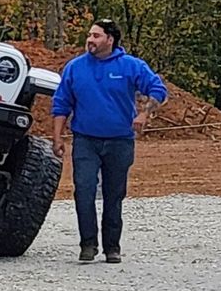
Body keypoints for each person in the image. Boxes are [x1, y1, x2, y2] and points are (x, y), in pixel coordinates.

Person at [50, 19, 168, 264]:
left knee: (114, 195)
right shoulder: (75, 68)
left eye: (96, 36)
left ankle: (112, 247)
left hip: (119, 141)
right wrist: (57, 137)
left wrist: (144, 113)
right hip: (85, 140)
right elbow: (61, 103)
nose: (90, 40)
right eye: (89, 35)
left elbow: (158, 89)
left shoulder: (131, 66)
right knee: (83, 190)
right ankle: (88, 244)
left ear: (110, 40)